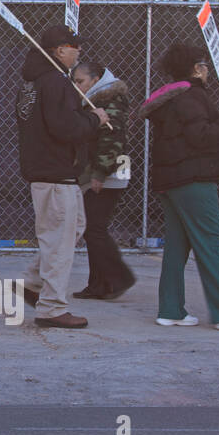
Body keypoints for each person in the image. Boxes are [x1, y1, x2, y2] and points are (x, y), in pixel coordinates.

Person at [135, 42, 219, 330]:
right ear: (196, 68)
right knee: (210, 244)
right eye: (204, 65)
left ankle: (171, 310)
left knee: (177, 246)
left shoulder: (171, 97)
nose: (207, 70)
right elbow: (202, 137)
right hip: (193, 179)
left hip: (171, 180)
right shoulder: (192, 96)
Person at [15, 25, 108, 329]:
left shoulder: (33, 83)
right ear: (59, 50)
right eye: (74, 46)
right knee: (59, 241)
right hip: (55, 172)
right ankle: (52, 308)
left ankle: (33, 283)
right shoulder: (55, 82)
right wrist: (94, 119)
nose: (79, 51)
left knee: (72, 228)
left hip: (47, 171)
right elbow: (66, 128)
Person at [69, 61, 136, 300]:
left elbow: (112, 138)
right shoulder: (95, 99)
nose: (77, 86)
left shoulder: (109, 100)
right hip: (103, 172)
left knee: (94, 228)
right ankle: (99, 284)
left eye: (80, 81)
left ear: (95, 80)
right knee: (92, 228)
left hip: (109, 174)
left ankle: (118, 278)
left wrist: (100, 173)